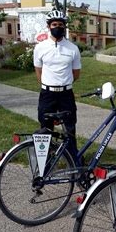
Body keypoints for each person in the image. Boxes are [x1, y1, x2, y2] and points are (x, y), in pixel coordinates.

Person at [33, 10, 81, 160]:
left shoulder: (73, 49)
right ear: (48, 26)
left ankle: (74, 162)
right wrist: (50, 84)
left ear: (65, 27)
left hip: (66, 94)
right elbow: (39, 72)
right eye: (54, 24)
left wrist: (63, 84)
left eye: (60, 24)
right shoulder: (40, 47)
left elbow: (76, 74)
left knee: (70, 129)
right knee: (45, 129)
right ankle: (44, 162)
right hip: (47, 94)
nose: (57, 27)